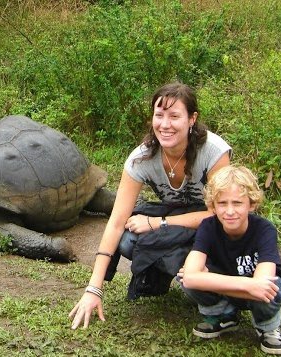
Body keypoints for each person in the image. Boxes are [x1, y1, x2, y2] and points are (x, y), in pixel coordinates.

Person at [68, 82, 231, 329]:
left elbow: (220, 214)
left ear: (192, 119)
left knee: (205, 256)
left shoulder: (214, 151)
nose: (165, 125)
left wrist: (158, 223)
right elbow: (115, 221)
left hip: (213, 226)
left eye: (174, 116)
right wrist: (94, 288)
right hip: (178, 221)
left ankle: (218, 295)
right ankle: (168, 275)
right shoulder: (141, 159)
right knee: (127, 239)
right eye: (159, 115)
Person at [177, 165, 281, 355]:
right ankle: (223, 315)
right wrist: (247, 285)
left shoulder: (265, 229)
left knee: (272, 287)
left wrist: (205, 279)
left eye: (237, 203)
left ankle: (268, 326)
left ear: (251, 204)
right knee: (184, 279)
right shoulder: (208, 226)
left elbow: (262, 286)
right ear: (212, 206)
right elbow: (189, 278)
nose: (229, 211)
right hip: (241, 286)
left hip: (258, 293)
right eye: (222, 203)